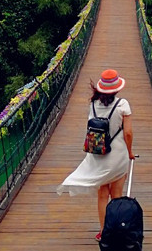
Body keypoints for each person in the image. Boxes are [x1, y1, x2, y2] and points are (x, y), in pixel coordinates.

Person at [56, 68, 135, 240]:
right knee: (117, 194)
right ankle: (117, 231)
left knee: (102, 194)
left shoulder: (93, 105)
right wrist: (130, 153)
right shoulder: (123, 104)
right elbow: (128, 133)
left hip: (99, 154)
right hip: (118, 154)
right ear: (117, 88)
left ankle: (104, 231)